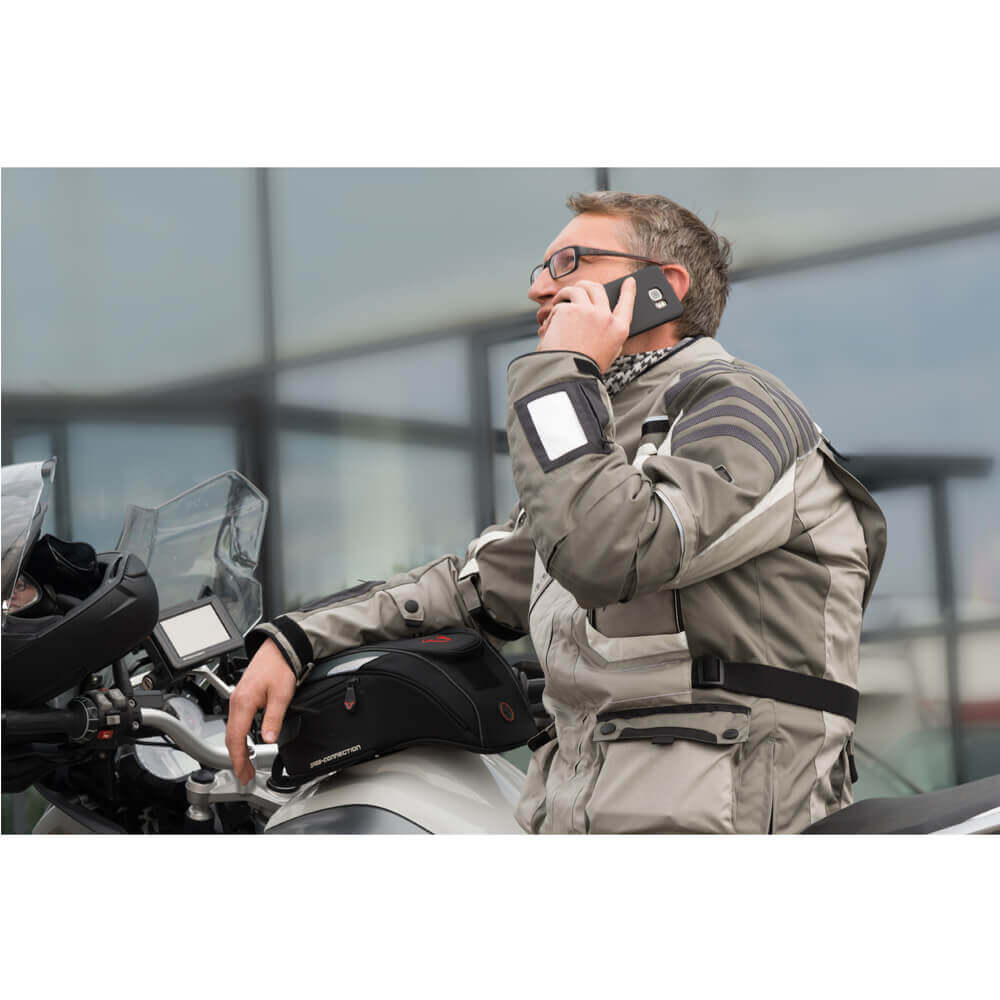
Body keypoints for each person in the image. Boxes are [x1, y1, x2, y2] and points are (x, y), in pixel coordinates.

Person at [225, 191, 887, 834]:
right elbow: (472, 589)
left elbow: (609, 553)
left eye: (569, 264)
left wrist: (559, 372)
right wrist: (298, 638)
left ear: (663, 287)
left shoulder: (740, 407)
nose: (540, 289)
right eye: (541, 269)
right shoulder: (601, 443)